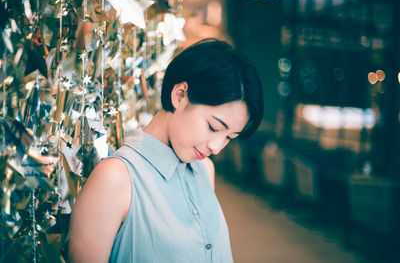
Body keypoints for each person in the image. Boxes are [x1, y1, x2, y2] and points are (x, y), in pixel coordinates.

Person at [69, 38, 264, 263]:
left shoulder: (204, 169)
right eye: (214, 127)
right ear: (179, 95)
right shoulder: (116, 178)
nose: (217, 147)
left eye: (230, 137)